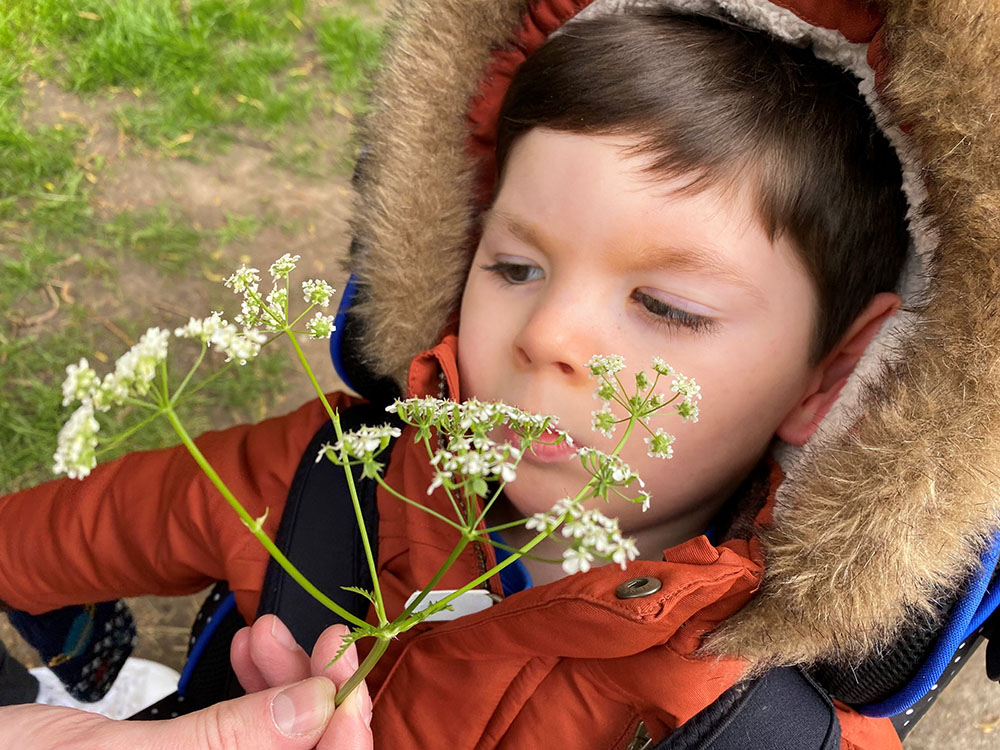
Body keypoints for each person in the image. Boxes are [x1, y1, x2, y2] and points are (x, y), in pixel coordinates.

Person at [2, 1, 997, 747]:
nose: (547, 333)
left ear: (832, 378)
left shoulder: (758, 723)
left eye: (665, 308)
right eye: (514, 266)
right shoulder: (325, 478)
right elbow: (53, 537)